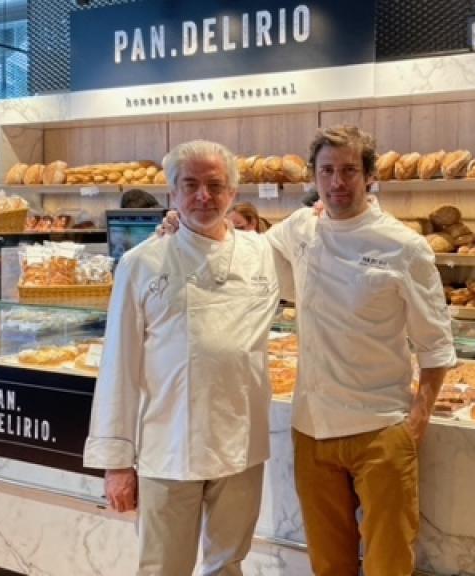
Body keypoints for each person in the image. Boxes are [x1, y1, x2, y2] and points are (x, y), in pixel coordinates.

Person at [160, 125, 455, 575]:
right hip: (312, 431)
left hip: (380, 428)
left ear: (370, 177)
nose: (337, 182)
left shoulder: (403, 246)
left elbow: (435, 344)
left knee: (389, 561)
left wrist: (416, 421)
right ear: (314, 177)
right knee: (327, 563)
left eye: (349, 171)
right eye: (327, 171)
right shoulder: (300, 228)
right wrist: (181, 226)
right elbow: (238, 249)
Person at [84, 140, 282, 576]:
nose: (203, 196)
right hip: (168, 444)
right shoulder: (142, 263)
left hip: (241, 443)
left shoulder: (263, 253)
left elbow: (320, 233)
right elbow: (118, 367)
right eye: (189, 185)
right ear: (172, 193)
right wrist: (117, 462)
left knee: (228, 563)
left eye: (215, 185)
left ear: (233, 192)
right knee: (162, 569)